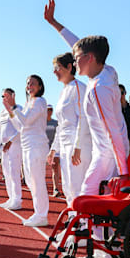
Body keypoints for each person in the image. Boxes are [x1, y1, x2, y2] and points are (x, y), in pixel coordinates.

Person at [45, 0, 129, 258]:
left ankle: (109, 256)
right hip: (108, 151)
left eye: (78, 59)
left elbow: (114, 131)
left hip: (108, 154)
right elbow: (78, 45)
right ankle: (103, 251)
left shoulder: (98, 89)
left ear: (90, 59)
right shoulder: (106, 71)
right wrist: (55, 24)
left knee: (91, 200)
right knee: (87, 200)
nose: (75, 61)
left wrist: (123, 169)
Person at [3, 75, 50, 226]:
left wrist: (14, 106)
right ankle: (38, 213)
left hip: (37, 146)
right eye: (27, 83)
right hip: (28, 146)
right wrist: (10, 110)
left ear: (40, 87)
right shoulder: (29, 103)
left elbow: (25, 120)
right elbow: (20, 127)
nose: (29, 86)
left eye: (33, 84)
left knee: (37, 181)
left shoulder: (40, 101)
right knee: (30, 181)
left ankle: (41, 215)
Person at [47, 53, 92, 206]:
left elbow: (83, 118)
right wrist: (54, 149)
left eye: (57, 68)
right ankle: (73, 218)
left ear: (69, 67)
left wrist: (77, 146)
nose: (54, 72)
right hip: (65, 144)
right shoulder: (63, 91)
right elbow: (60, 124)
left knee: (78, 185)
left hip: (77, 144)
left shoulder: (79, 88)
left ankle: (84, 223)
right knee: (67, 185)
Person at [0, 88, 23, 210]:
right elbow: (1, 130)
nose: (4, 98)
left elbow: (21, 128)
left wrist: (11, 141)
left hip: (14, 145)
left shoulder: (19, 109)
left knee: (14, 172)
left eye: (6, 95)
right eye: (2, 96)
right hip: (3, 146)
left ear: (13, 95)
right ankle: (11, 198)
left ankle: (17, 200)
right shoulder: (2, 112)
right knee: (6, 173)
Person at [45, 104, 63, 197]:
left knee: (55, 169)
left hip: (54, 148)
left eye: (51, 110)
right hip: (43, 149)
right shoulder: (40, 123)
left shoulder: (55, 123)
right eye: (47, 109)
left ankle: (55, 188)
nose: (49, 111)